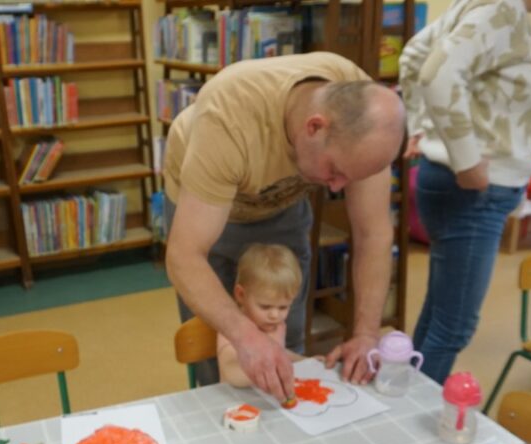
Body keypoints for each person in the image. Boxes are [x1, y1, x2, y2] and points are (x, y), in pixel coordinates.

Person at [163, 52, 405, 401]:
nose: (336, 188)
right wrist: (245, 337)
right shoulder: (230, 116)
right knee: (221, 355)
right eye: (334, 171)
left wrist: (366, 334)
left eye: (349, 177)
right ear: (314, 127)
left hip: (281, 204)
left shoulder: (364, 119)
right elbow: (185, 257)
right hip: (212, 207)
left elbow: (374, 234)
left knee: (282, 333)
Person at [399, 0, 531, 384]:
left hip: (454, 182)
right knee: (452, 327)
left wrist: (422, 127)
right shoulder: (502, 10)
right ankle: (407, 425)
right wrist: (467, 160)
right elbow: (436, 73)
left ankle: (403, 397)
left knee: (439, 313)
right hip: (471, 191)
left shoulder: (476, 5)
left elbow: (415, 57)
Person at [218, 244, 303, 387]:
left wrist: (305, 361)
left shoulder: (277, 325)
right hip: (235, 401)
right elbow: (230, 372)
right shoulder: (231, 325)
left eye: (283, 307)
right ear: (241, 295)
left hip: (268, 397)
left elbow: (278, 354)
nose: (275, 315)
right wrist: (272, 373)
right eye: (265, 306)